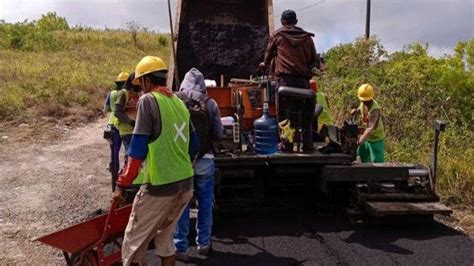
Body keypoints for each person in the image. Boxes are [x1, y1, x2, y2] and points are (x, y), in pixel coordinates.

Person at [113, 56, 199, 266]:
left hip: (160, 186)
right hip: (185, 184)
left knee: (132, 245)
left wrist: (123, 183)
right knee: (164, 240)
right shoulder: (179, 102)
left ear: (146, 81)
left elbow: (137, 149)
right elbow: (194, 145)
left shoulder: (148, 101)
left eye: (140, 84)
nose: (140, 90)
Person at [174, 68, 223, 261]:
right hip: (206, 160)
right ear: (203, 84)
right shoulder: (210, 103)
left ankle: (181, 248)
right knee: (205, 204)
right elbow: (219, 133)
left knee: (182, 205)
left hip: (183, 161)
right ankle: (204, 244)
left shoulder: (176, 103)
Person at [259, 9, 322, 152]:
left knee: (283, 114)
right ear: (296, 22)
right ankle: (307, 145)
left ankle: (286, 145)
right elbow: (314, 60)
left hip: (285, 82)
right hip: (303, 83)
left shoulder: (277, 36)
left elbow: (267, 58)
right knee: (306, 114)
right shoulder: (307, 38)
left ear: (282, 22)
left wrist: (264, 64)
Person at [104, 71, 129, 191]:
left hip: (111, 125)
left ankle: (114, 185)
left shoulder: (111, 93)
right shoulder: (126, 94)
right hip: (122, 126)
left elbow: (106, 109)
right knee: (128, 153)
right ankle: (125, 182)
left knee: (114, 154)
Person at [351, 84, 385, 163]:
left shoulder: (375, 109)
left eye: (366, 100)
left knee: (377, 163)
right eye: (363, 100)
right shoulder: (363, 102)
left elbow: (370, 128)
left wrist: (360, 140)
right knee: (363, 157)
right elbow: (361, 108)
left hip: (376, 139)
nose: (364, 102)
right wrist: (356, 111)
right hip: (366, 137)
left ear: (371, 98)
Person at [113, 72, 141, 151]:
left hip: (136, 129)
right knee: (130, 154)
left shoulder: (139, 94)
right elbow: (117, 111)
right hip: (127, 131)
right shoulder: (123, 93)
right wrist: (131, 122)